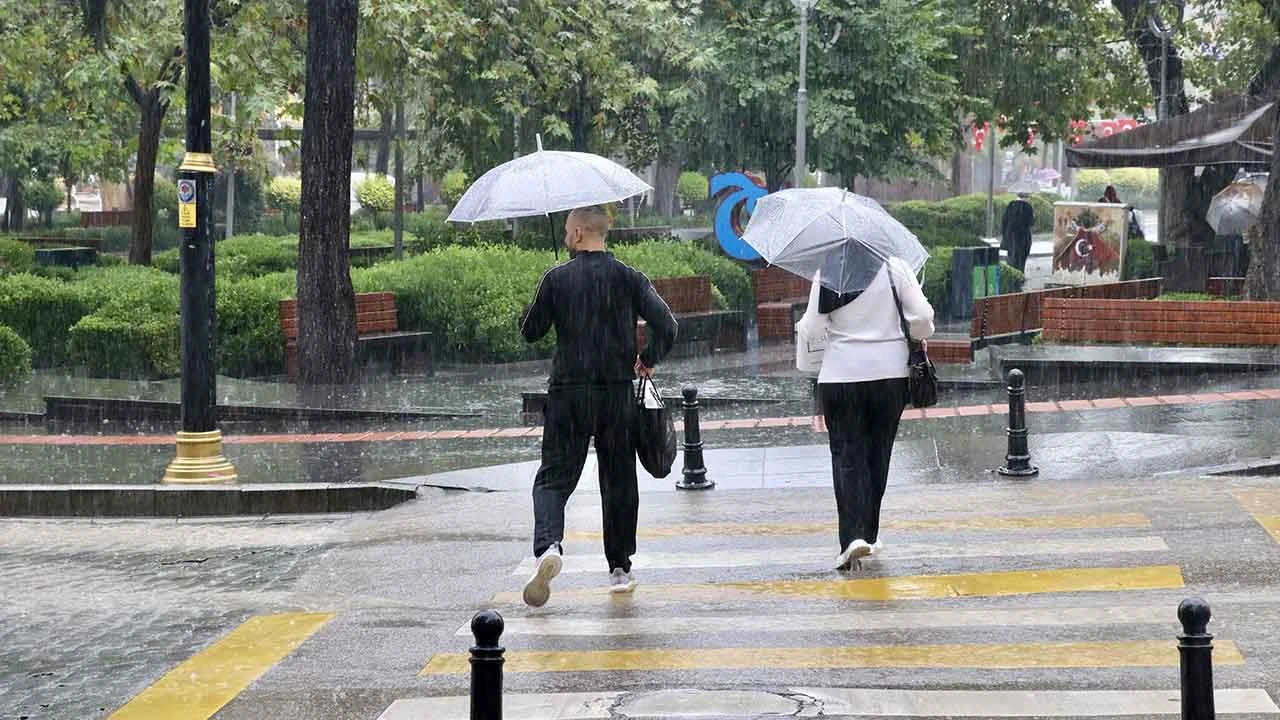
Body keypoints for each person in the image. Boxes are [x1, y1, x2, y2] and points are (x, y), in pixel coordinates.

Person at [518, 204, 678, 606]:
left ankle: (549, 546)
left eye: (566, 231)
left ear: (576, 233)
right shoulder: (628, 277)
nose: (565, 237)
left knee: (554, 479)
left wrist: (545, 295)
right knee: (618, 478)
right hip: (616, 393)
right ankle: (619, 568)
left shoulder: (557, 279)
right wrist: (648, 359)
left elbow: (530, 332)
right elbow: (668, 326)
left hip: (568, 394)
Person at [797, 254, 935, 571]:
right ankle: (868, 534)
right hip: (889, 377)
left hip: (841, 376)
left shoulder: (829, 270)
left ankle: (852, 538)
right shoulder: (895, 267)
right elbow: (922, 317)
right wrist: (913, 334)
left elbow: (812, 327)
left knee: (848, 456)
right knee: (878, 454)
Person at [1000, 192, 1035, 272]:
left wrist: (1005, 235)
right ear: (1026, 197)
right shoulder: (1028, 207)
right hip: (1023, 238)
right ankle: (1020, 275)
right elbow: (1031, 222)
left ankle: (1012, 274)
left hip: (1011, 237)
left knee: (1011, 258)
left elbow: (1004, 221)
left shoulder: (1010, 205)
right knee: (1021, 260)